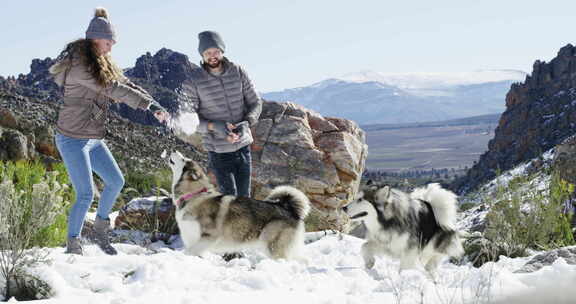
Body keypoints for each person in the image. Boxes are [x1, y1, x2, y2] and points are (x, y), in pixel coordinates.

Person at [50, 7, 169, 255]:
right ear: (95, 39)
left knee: (116, 181)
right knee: (85, 194)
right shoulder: (80, 66)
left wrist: (155, 104)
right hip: (71, 139)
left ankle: (100, 233)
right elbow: (113, 89)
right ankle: (73, 246)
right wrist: (146, 105)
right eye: (108, 42)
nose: (111, 48)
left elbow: (126, 83)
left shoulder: (100, 61)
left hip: (92, 138)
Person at [185, 30, 262, 197]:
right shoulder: (193, 81)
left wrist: (247, 122)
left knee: (244, 197)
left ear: (222, 51)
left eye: (215, 51)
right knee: (229, 198)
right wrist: (214, 126)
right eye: (207, 53)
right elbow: (190, 120)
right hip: (218, 151)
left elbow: (256, 102)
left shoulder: (238, 71)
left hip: (243, 146)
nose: (212, 56)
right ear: (202, 55)